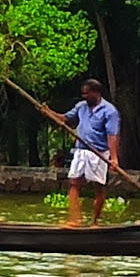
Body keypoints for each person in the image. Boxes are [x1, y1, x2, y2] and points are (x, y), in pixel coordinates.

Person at [55, 78, 120, 227]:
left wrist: (114, 158)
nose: (84, 96)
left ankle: (95, 222)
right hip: (81, 150)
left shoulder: (109, 111)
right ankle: (75, 220)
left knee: (98, 187)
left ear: (96, 93)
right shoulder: (81, 107)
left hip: (99, 153)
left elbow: (112, 136)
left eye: (87, 94)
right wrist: (48, 112)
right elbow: (65, 118)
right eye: (83, 94)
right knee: (74, 183)